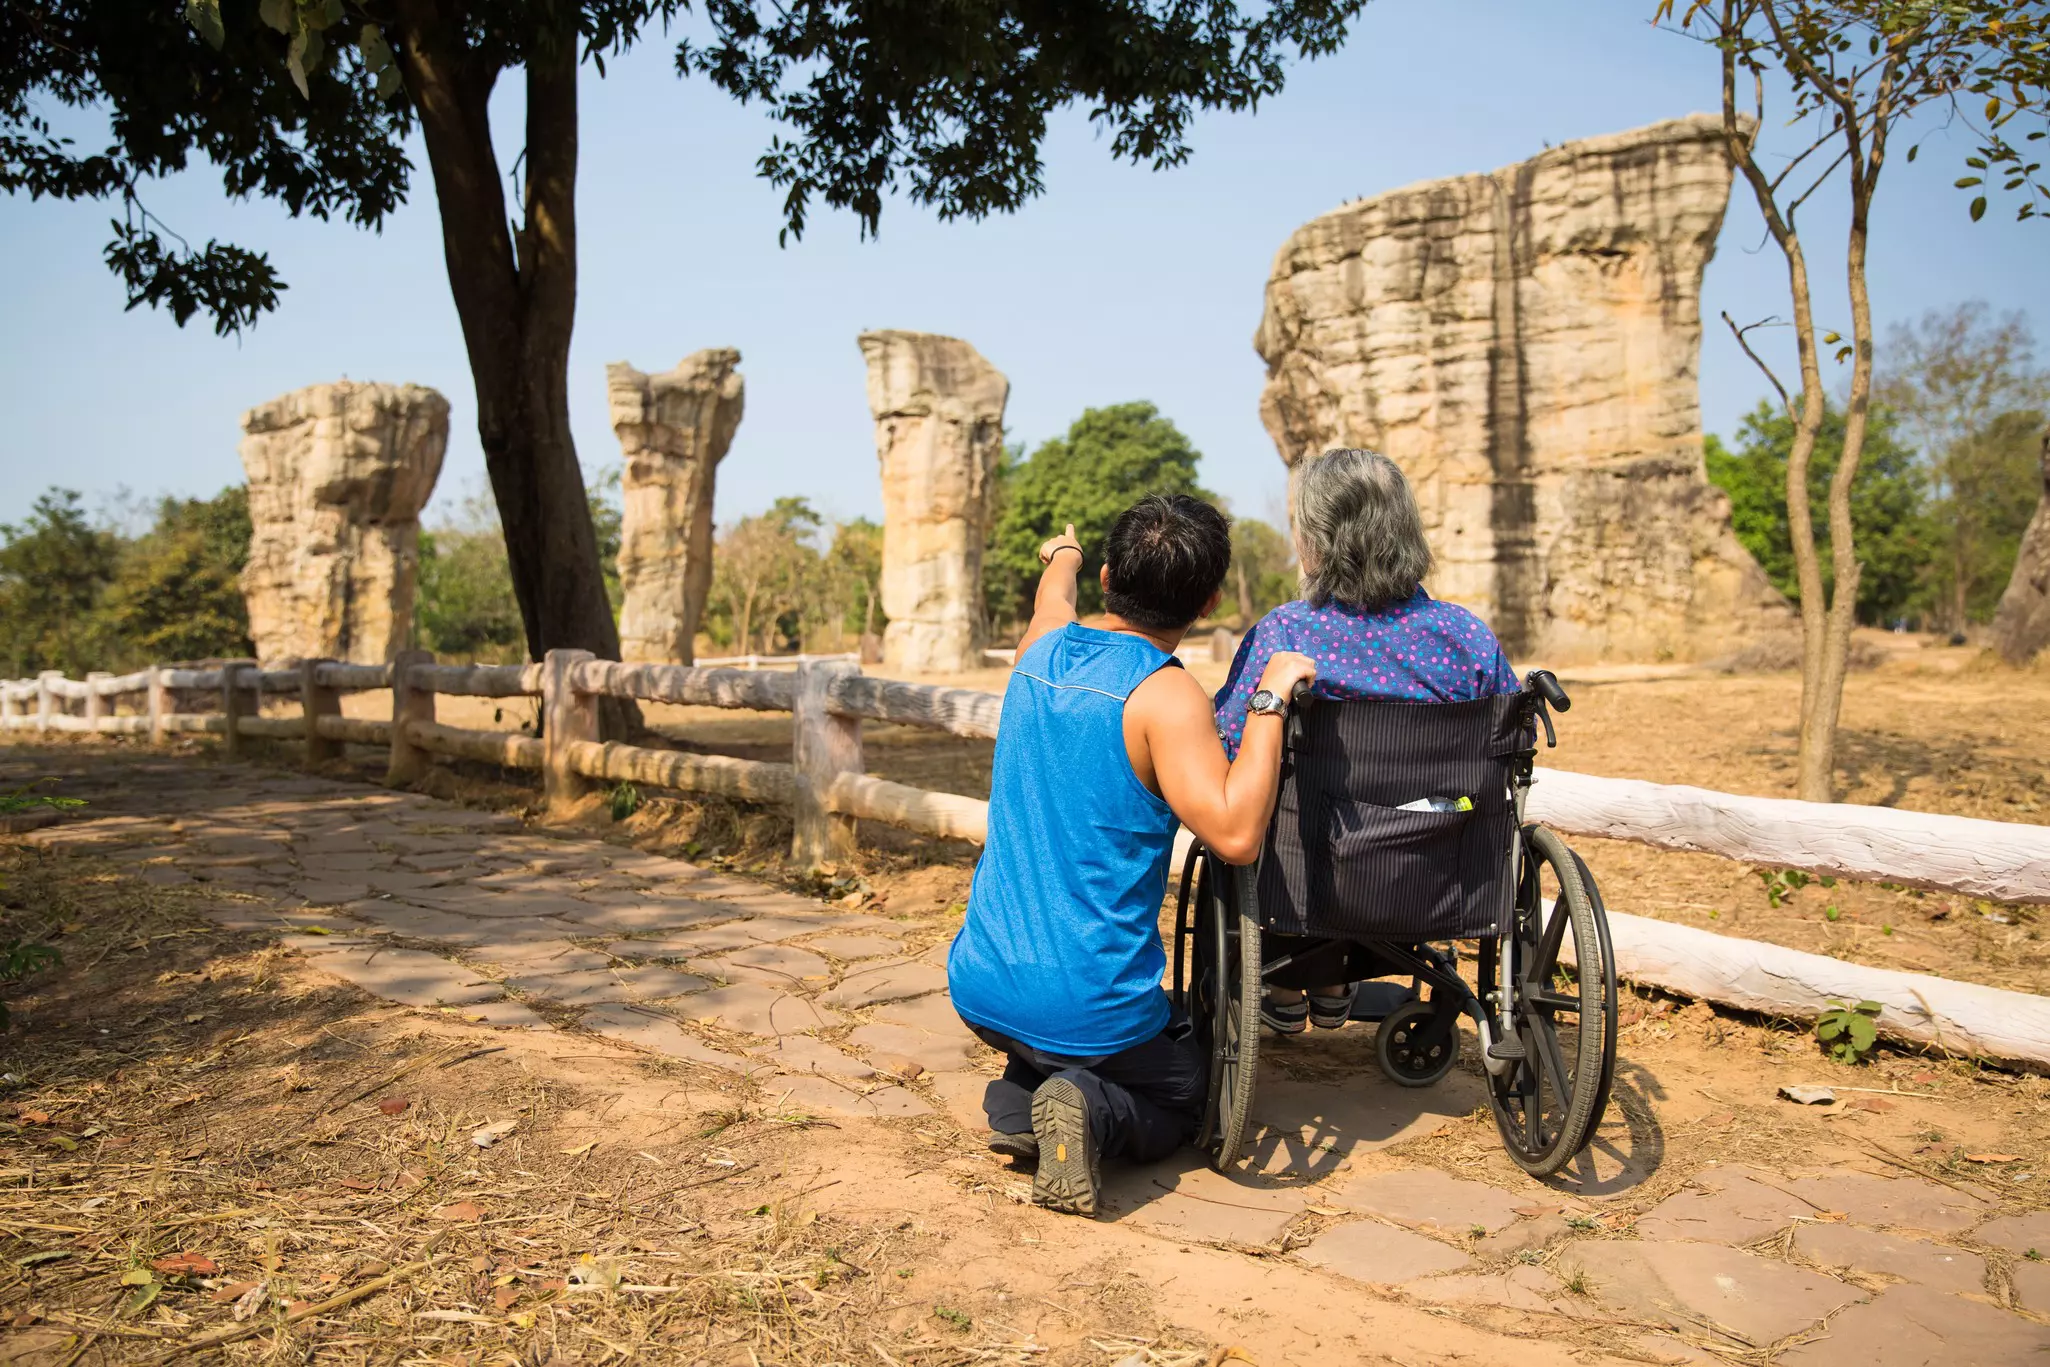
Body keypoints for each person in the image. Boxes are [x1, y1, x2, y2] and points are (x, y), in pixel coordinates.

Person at [949, 494, 1317, 1216]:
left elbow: (1053, 595)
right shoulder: (1167, 696)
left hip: (980, 983)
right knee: (1185, 1091)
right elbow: (1236, 832)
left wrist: (1064, 555)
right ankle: (1089, 1106)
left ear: (1111, 574)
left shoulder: (1040, 649)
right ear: (1209, 601)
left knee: (1067, 1036)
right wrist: (1270, 697)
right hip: (1090, 1007)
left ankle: (1020, 1101)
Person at [1213, 448, 1518, 1033]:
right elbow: (1512, 742)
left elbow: (1232, 740)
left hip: (1312, 868)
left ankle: (1295, 978)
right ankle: (1337, 982)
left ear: (1319, 538)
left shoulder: (1285, 634)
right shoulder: (1467, 638)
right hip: (1438, 865)